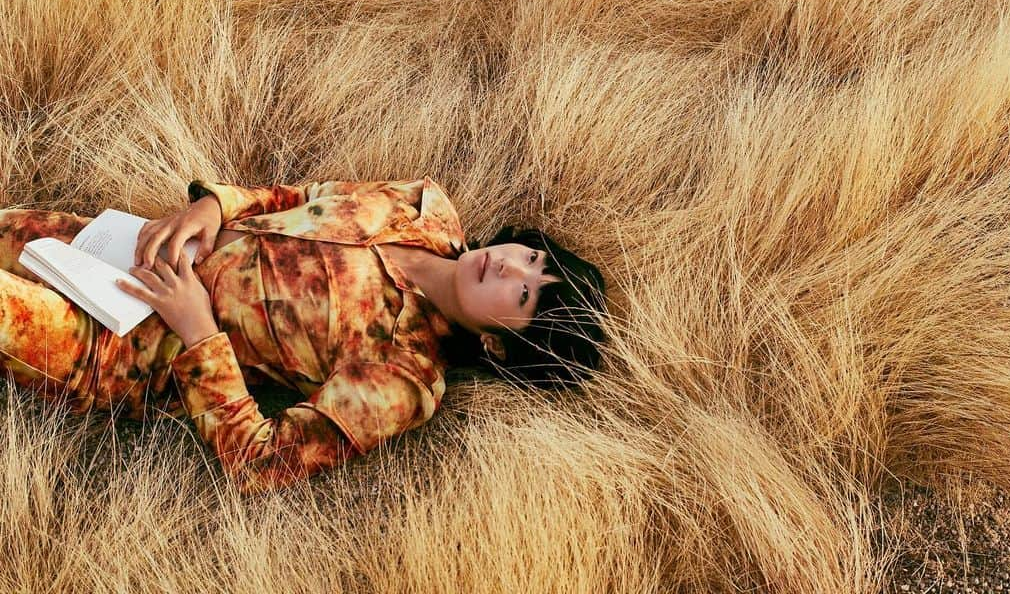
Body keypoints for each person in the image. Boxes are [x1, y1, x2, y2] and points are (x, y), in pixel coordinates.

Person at [0, 176, 607, 493]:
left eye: (524, 294)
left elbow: (261, 463)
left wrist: (197, 329)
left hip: (120, 345)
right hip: (121, 247)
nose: (510, 267)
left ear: (501, 343)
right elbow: (303, 198)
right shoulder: (423, 208)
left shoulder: (403, 377)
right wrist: (212, 210)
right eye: (530, 257)